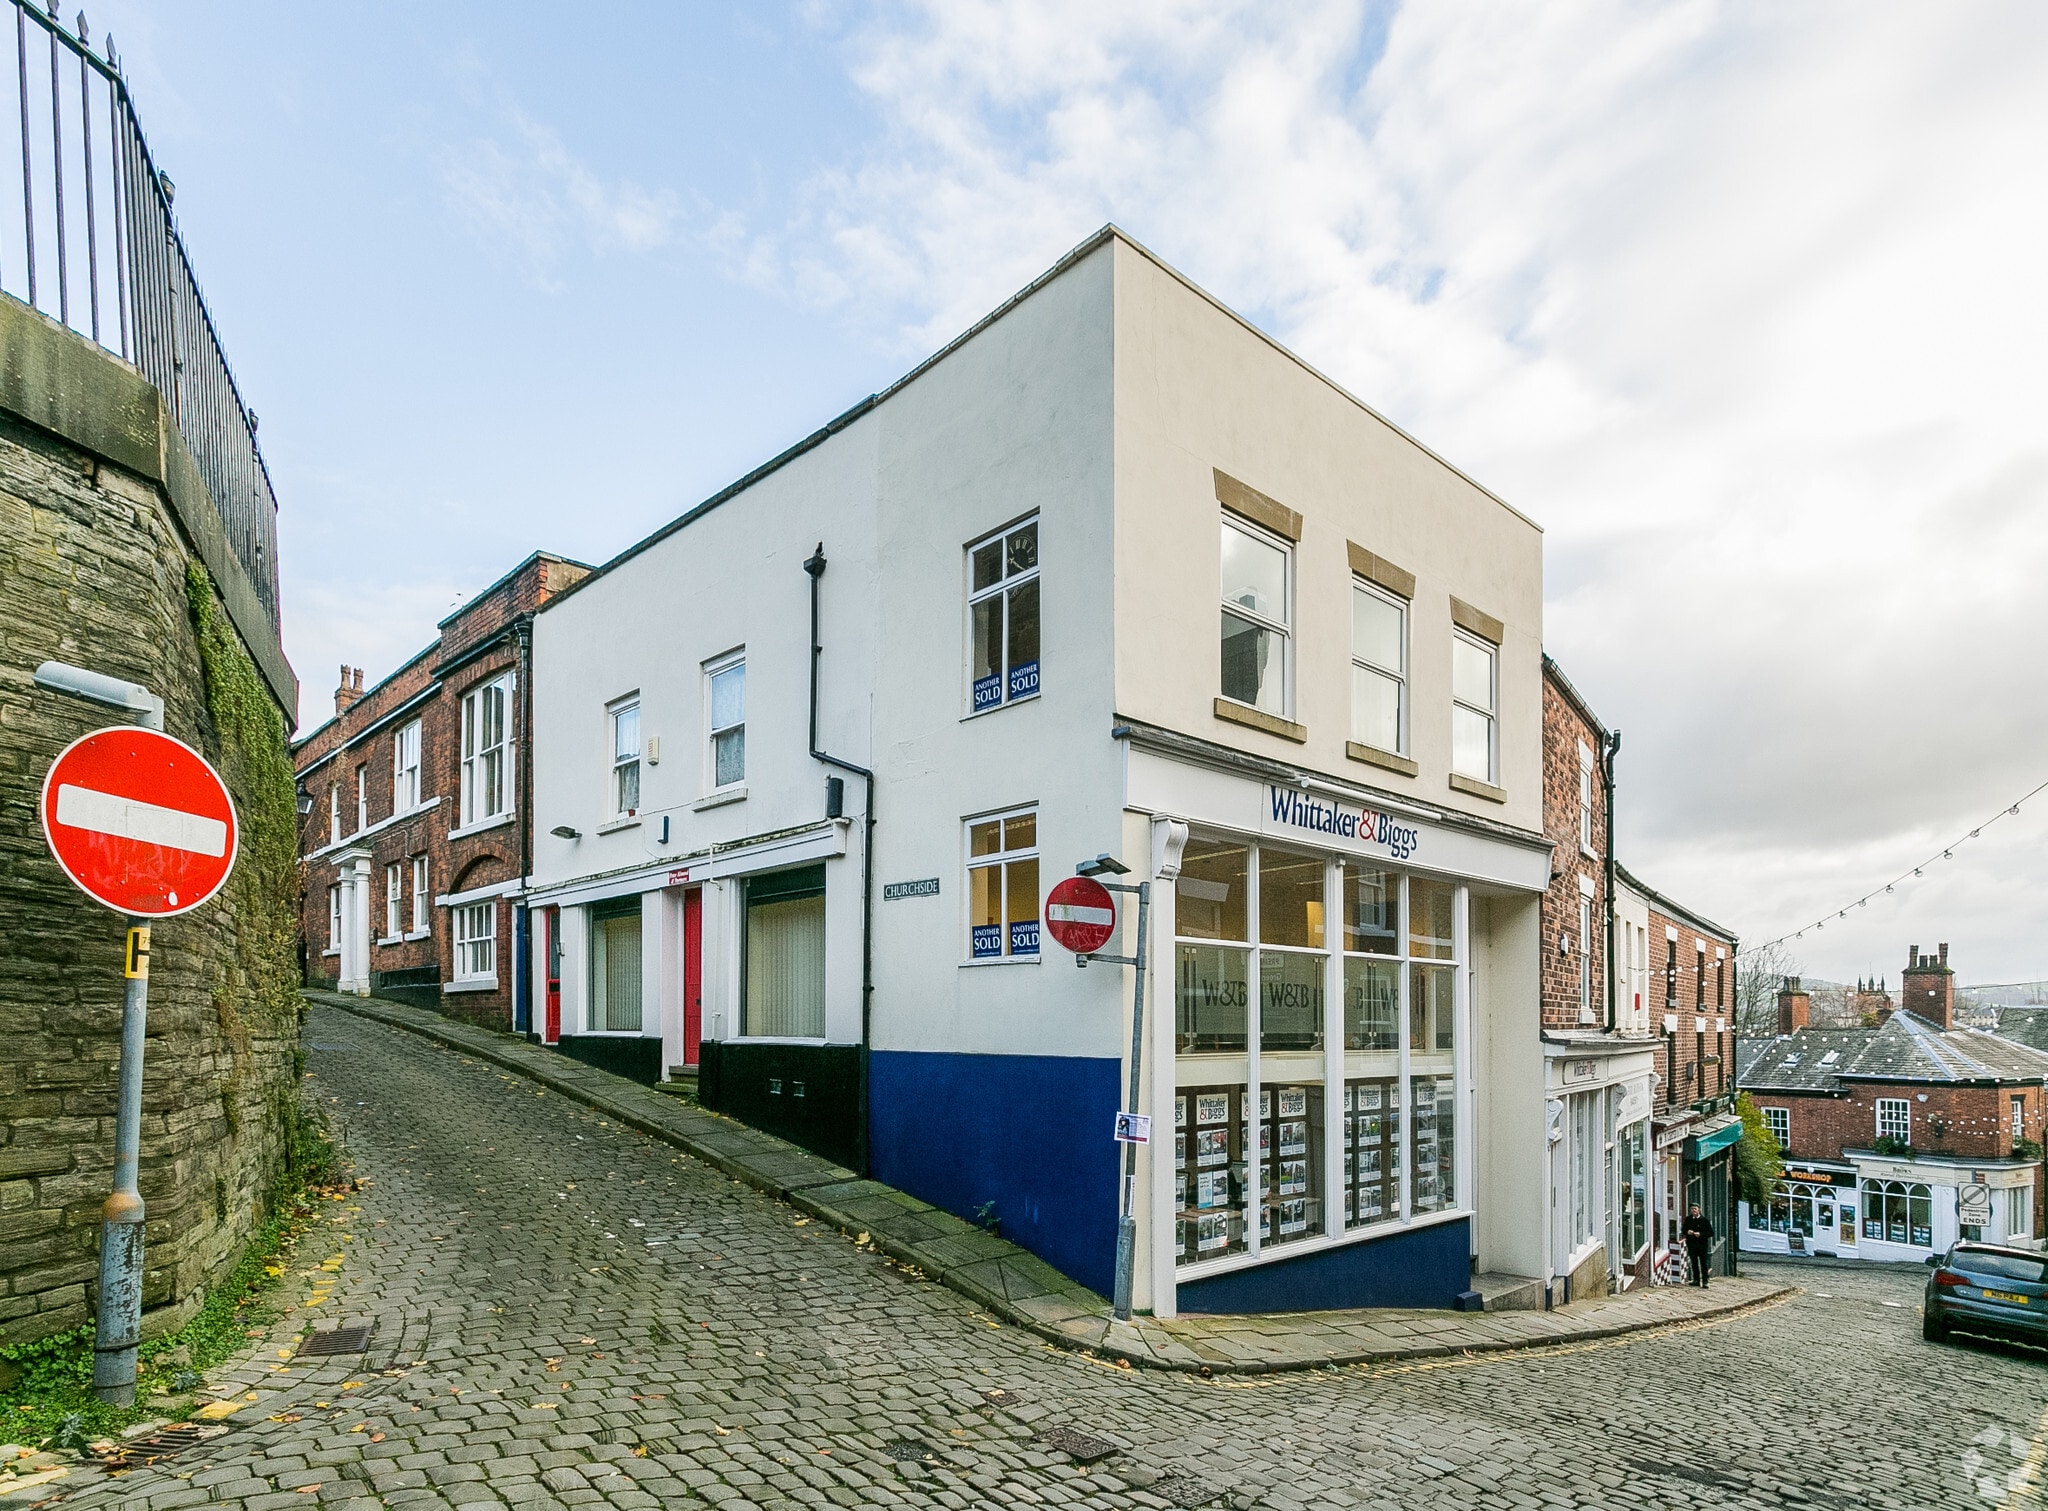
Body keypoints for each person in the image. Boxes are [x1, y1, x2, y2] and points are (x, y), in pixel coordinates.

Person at [1682, 1203, 1715, 1287]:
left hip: (1702, 1245)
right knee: (1694, 1263)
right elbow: (1683, 1229)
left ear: (1699, 1210)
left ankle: (1705, 1281)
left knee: (1703, 1263)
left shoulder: (1704, 1220)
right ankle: (1696, 1280)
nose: (1693, 1210)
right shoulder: (1688, 1219)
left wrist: (1700, 1234)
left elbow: (1711, 1233)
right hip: (1692, 1245)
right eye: (1692, 1209)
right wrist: (1687, 1232)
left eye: (1695, 1209)